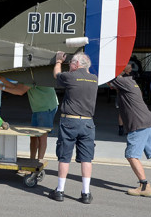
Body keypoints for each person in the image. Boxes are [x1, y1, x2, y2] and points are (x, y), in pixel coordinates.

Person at [109, 69, 151, 197]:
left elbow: (109, 76)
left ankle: (144, 186)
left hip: (139, 124)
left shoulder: (123, 81)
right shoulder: (132, 83)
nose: (111, 86)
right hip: (148, 121)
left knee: (131, 155)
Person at [49, 52, 98, 204]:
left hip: (70, 122)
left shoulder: (71, 77)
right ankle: (86, 193)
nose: (69, 66)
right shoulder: (94, 79)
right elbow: (86, 74)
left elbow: (57, 75)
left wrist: (58, 61)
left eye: (70, 63)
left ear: (77, 64)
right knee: (87, 158)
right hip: (88, 123)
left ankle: (60, 190)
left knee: (64, 156)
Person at [0, 75, 58, 160]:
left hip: (46, 107)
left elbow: (20, 91)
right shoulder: (27, 74)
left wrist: (1, 87)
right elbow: (16, 87)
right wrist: (3, 80)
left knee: (42, 136)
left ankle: (38, 163)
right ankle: (31, 161)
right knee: (33, 136)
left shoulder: (33, 75)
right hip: (37, 108)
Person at [116, 63, 133, 136]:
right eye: (129, 68)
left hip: (124, 96)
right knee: (124, 112)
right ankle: (122, 128)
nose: (131, 69)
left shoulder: (125, 76)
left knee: (124, 112)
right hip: (124, 96)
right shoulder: (123, 76)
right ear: (126, 69)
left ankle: (122, 129)